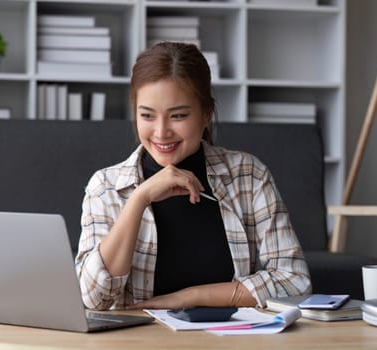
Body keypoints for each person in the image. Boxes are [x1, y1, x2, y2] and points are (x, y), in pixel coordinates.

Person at [75, 42, 311, 311]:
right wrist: (139, 198)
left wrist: (189, 298)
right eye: (147, 116)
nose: (161, 132)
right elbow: (94, 299)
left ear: (206, 114)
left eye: (178, 115)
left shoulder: (249, 175)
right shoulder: (106, 187)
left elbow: (295, 282)